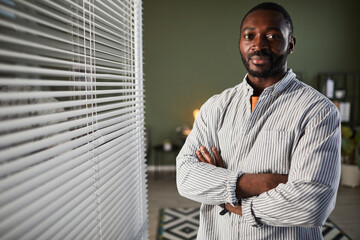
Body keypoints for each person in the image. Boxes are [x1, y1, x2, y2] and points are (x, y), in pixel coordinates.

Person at [176, 2, 341, 239]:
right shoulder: (215, 106)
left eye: (272, 36)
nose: (259, 44)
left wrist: (230, 201)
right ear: (240, 43)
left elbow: (313, 203)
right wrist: (267, 182)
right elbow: (185, 177)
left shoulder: (318, 111)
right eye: (249, 35)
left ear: (291, 44)